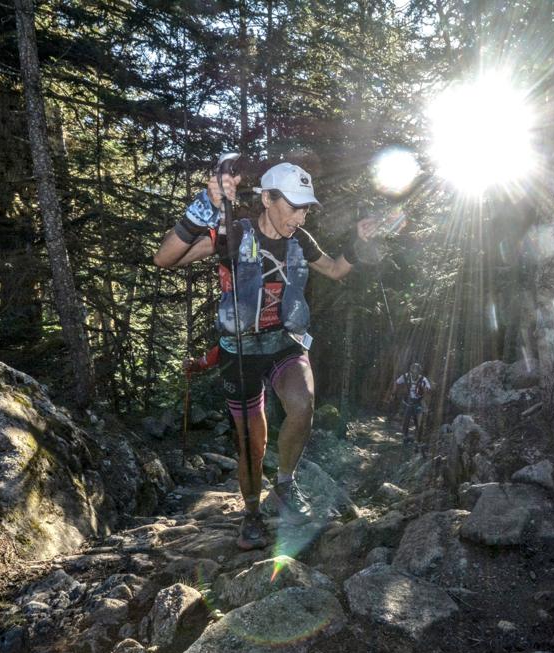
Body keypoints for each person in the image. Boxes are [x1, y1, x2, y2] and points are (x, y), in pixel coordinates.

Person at [154, 161, 378, 549]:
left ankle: (285, 486)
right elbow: (166, 258)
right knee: (251, 443)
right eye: (294, 206)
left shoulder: (300, 239)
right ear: (267, 198)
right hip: (239, 351)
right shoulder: (233, 233)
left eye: (307, 207)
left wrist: (360, 242)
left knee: (303, 405)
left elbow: (336, 269)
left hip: (284, 343)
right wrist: (202, 208)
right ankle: (252, 514)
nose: (301, 215)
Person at [395, 362, 431, 444]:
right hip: (408, 401)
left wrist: (424, 392)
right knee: (406, 420)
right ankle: (405, 437)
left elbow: (428, 389)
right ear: (411, 370)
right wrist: (395, 394)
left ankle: (419, 438)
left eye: (417, 370)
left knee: (417, 421)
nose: (415, 372)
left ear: (419, 371)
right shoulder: (406, 376)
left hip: (418, 402)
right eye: (413, 369)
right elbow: (397, 382)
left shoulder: (423, 379)